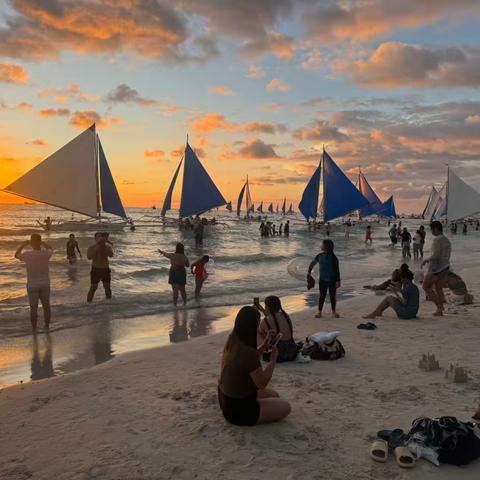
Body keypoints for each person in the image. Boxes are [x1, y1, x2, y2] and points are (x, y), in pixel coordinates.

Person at [218, 306, 291, 426]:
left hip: (225, 400)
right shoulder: (248, 353)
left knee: (275, 395)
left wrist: (264, 343)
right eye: (257, 324)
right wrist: (273, 360)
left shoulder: (232, 340)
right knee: (285, 407)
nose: (258, 328)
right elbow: (262, 384)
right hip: (238, 411)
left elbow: (246, 361)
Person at [15, 234, 53, 333]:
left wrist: (23, 244)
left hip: (32, 285)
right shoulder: (46, 254)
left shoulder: (27, 254)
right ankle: (47, 327)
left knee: (33, 308)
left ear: (31, 242)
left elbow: (16, 255)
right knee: (46, 306)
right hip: (45, 284)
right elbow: (50, 248)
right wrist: (42, 243)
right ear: (40, 241)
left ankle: (34, 329)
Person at [254, 296, 298, 362]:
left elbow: (261, 331)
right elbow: (273, 319)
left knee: (256, 332)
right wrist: (261, 308)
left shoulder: (266, 321)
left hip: (278, 354)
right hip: (292, 350)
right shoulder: (285, 315)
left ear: (268, 307)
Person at [421, 221, 452, 316]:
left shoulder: (437, 240)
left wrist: (426, 260)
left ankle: (439, 307)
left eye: (431, 229)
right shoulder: (446, 239)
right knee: (438, 287)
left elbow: (436, 255)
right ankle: (442, 304)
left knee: (426, 286)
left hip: (437, 268)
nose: (431, 231)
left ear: (435, 229)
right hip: (445, 266)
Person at [308, 239, 340, 318]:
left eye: (322, 244)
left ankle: (333, 312)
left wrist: (338, 280)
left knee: (332, 296)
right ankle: (319, 312)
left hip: (332, 279)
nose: (321, 246)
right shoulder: (319, 255)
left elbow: (336, 270)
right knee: (322, 295)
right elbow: (313, 263)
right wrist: (309, 272)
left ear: (326, 246)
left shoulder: (333, 258)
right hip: (322, 279)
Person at [87, 232, 114, 303]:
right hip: (96, 270)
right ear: (95, 238)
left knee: (107, 288)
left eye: (101, 237)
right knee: (93, 288)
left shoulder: (107, 247)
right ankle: (88, 305)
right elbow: (89, 257)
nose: (100, 238)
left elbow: (111, 255)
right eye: (98, 237)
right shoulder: (92, 247)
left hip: (105, 269)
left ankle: (109, 303)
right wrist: (98, 247)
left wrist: (104, 246)